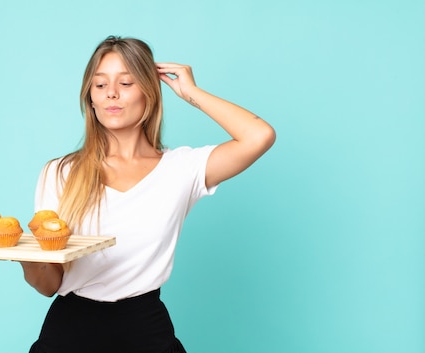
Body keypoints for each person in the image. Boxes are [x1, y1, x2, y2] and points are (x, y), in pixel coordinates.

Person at [20, 35, 276, 353]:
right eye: (100, 85)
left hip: (144, 328)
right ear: (90, 98)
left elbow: (259, 136)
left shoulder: (181, 169)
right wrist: (28, 259)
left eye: (126, 82)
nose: (111, 93)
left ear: (148, 92)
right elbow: (48, 285)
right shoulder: (60, 172)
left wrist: (191, 93)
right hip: (70, 330)